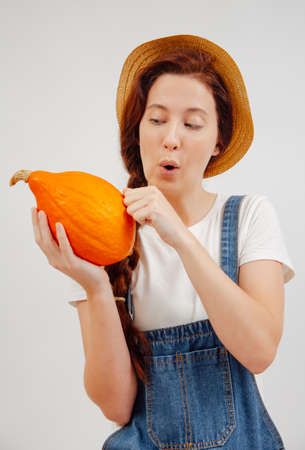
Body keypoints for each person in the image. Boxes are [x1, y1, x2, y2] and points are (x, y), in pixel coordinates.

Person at [32, 35, 295, 449]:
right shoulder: (100, 234)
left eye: (192, 124)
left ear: (218, 141)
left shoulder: (248, 216)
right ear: (138, 132)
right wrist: (95, 285)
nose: (172, 137)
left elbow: (260, 351)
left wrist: (181, 239)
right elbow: (117, 408)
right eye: (156, 120)